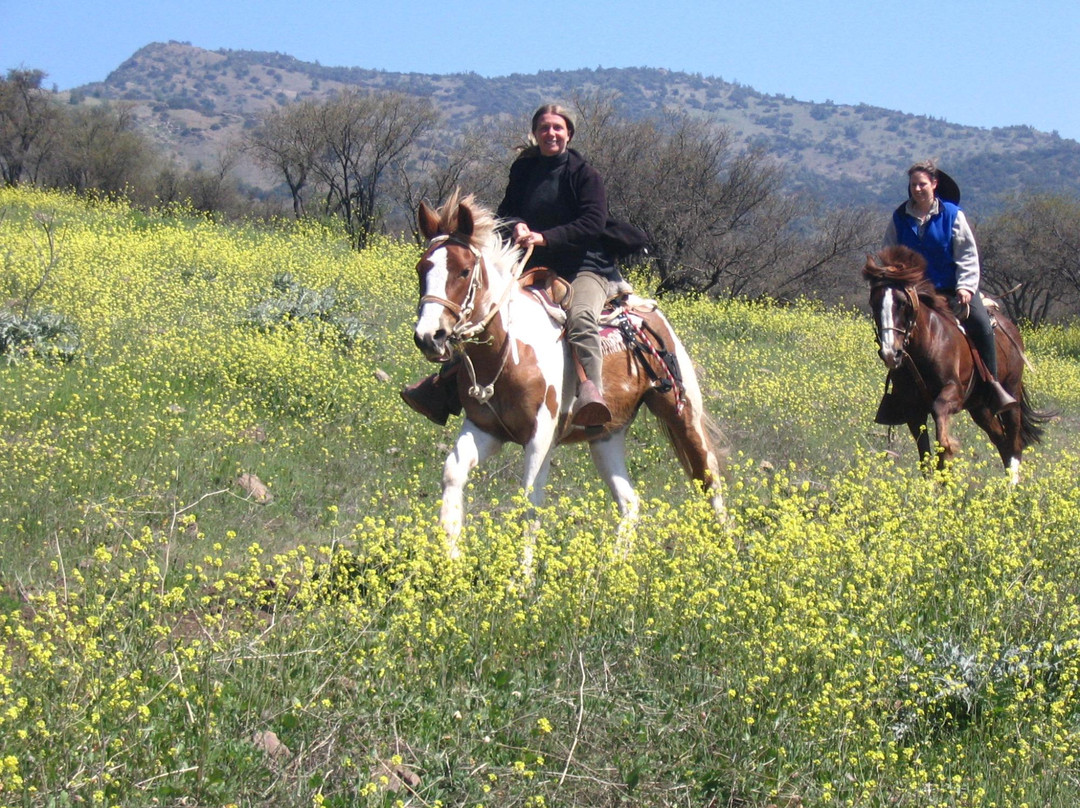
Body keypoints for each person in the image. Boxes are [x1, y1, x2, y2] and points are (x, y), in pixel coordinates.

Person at [402, 103, 626, 428]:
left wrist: (544, 237)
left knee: (580, 318)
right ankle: (443, 388)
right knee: (483, 314)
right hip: (533, 263)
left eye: (557, 128)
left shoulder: (584, 175)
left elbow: (593, 223)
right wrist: (519, 225)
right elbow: (508, 211)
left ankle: (592, 395)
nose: (551, 133)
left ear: (569, 134)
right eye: (544, 127)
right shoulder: (523, 171)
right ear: (535, 133)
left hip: (584, 266)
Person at [881, 159, 1017, 415]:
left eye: (922, 184)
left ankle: (992, 386)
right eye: (913, 185)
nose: (917, 189)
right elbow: (888, 252)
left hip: (952, 290)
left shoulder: (953, 215)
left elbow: (967, 254)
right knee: (891, 328)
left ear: (934, 184)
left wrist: (966, 286)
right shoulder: (900, 217)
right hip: (915, 293)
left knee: (981, 324)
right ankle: (897, 397)